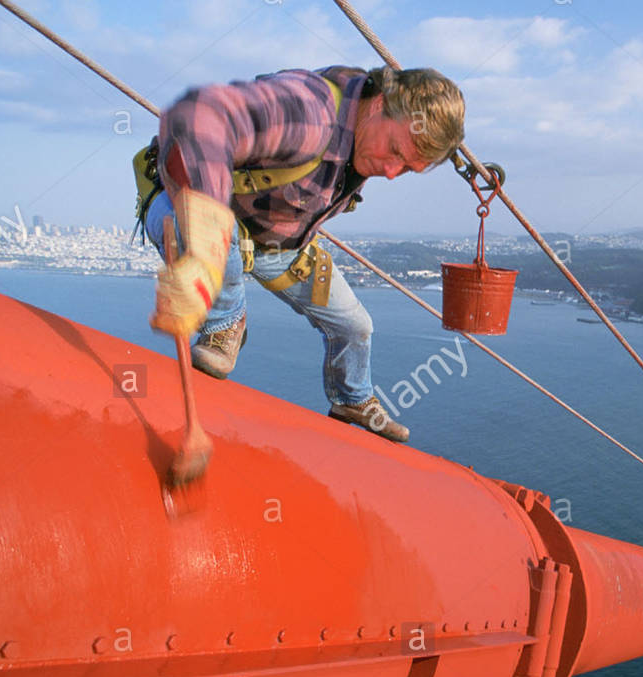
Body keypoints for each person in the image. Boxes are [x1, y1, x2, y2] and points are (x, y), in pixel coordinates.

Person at [141, 64, 465, 443]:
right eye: (395, 150)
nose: (392, 172)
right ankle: (224, 322)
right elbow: (201, 115)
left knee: (355, 326)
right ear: (378, 105)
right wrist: (203, 245)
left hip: (277, 243)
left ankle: (352, 398)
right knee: (219, 236)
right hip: (194, 211)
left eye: (407, 169)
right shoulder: (309, 112)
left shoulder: (363, 137)